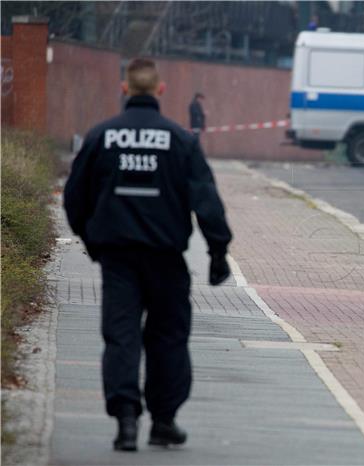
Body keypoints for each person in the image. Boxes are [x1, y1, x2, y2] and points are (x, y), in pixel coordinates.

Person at [64, 58, 233, 451]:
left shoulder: (101, 137)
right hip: (165, 258)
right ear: (161, 90)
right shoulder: (180, 141)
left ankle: (125, 422)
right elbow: (206, 202)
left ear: (125, 90)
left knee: (121, 336)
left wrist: (91, 241)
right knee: (168, 337)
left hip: (118, 258)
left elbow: (75, 197)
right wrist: (218, 252)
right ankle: (163, 420)